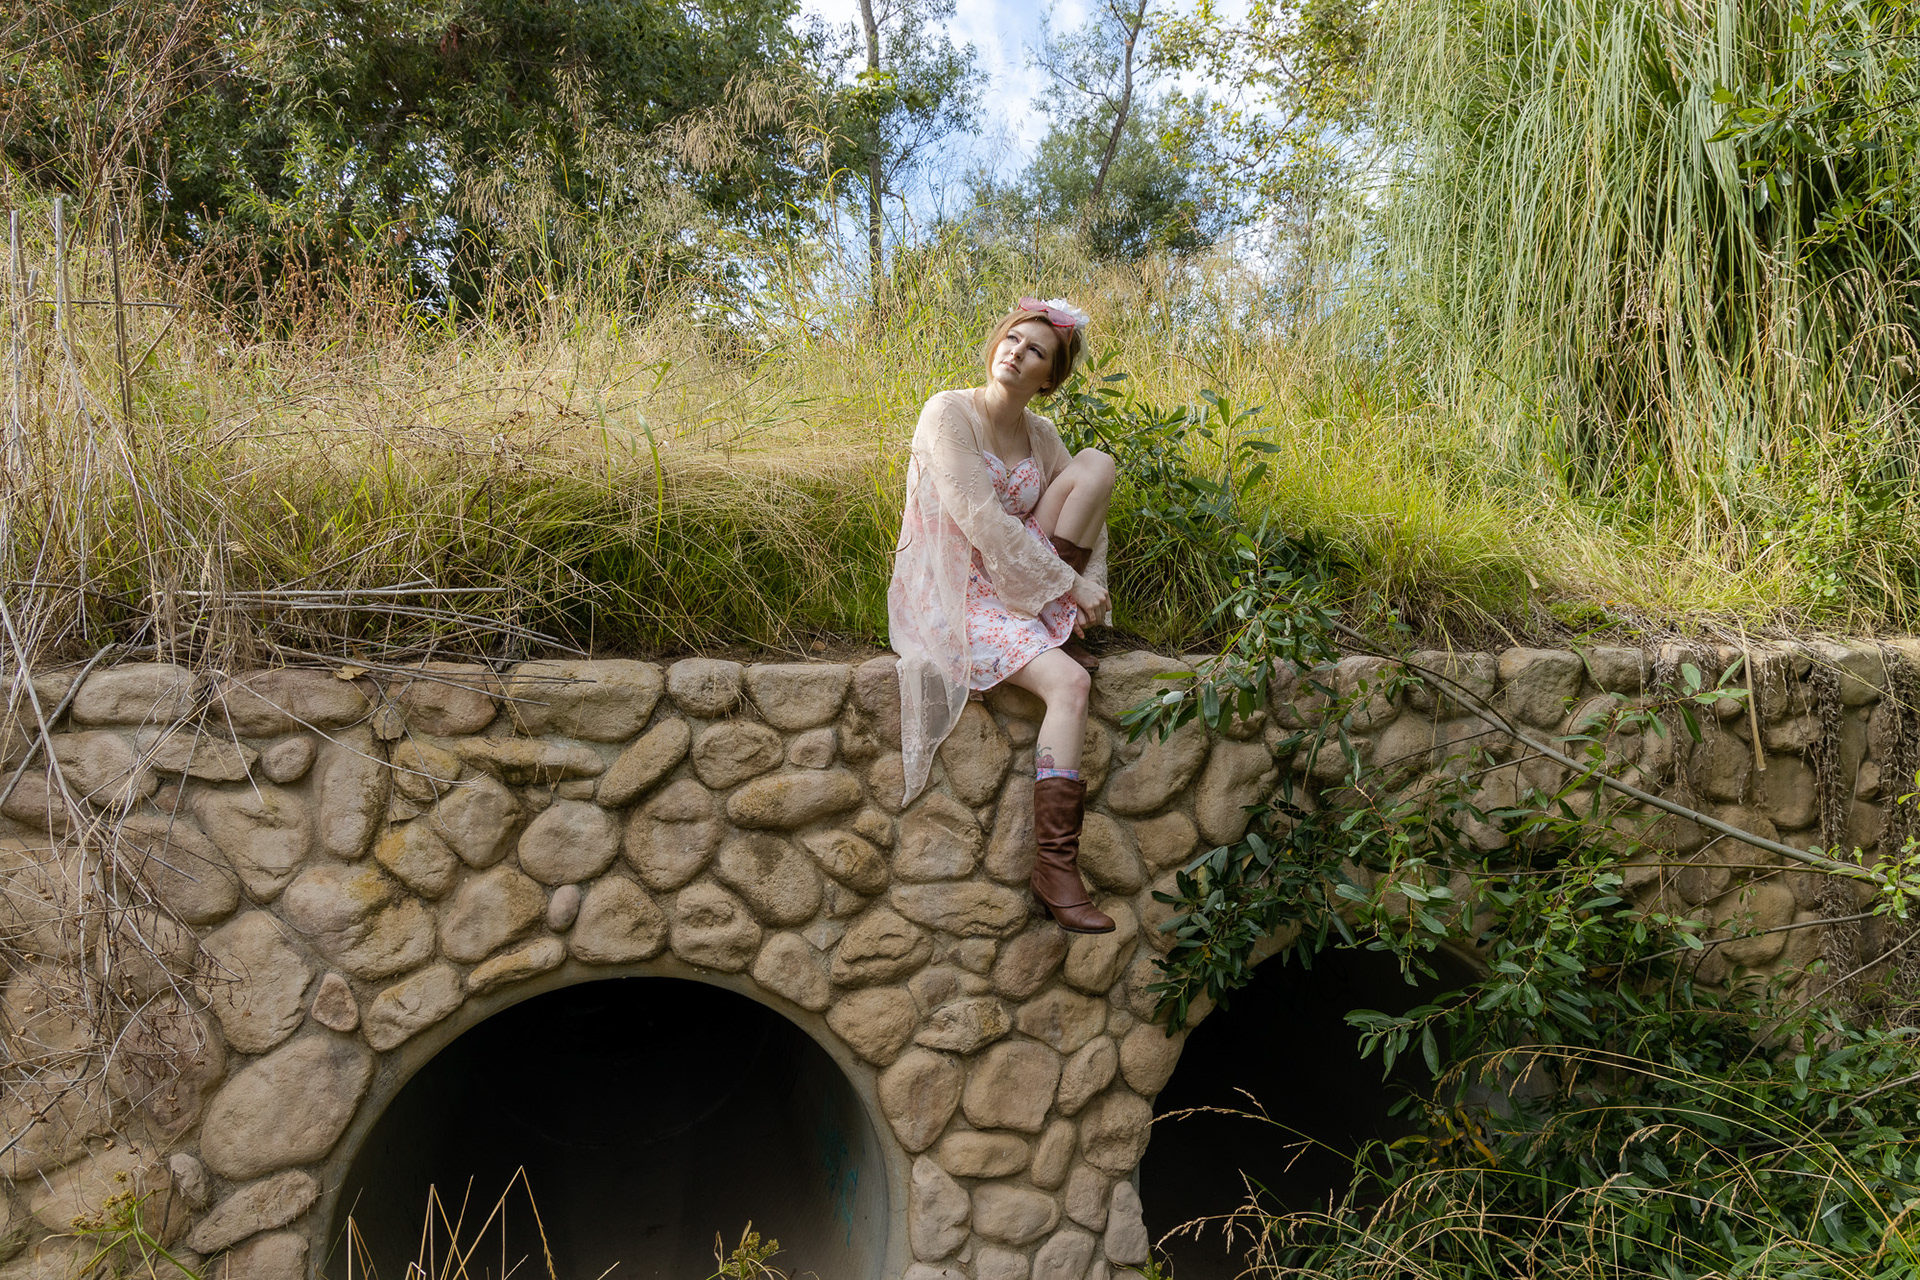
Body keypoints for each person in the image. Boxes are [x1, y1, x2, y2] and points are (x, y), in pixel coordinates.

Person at [888, 298, 1119, 934]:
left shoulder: (1040, 434)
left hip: (1019, 578)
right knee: (1071, 685)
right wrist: (1069, 584)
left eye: (1035, 350)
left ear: (1049, 378)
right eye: (1012, 339)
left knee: (1098, 465)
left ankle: (1054, 626)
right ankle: (1056, 869)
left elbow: (1092, 522)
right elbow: (983, 521)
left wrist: (1088, 589)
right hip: (956, 585)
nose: (1016, 352)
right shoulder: (948, 412)